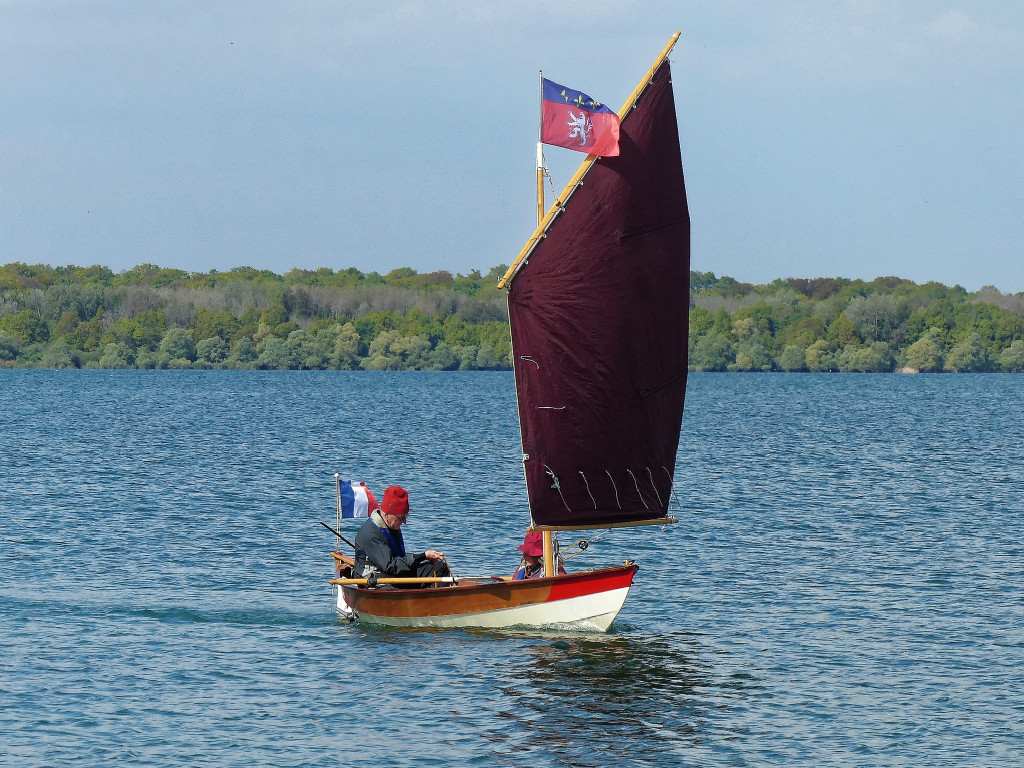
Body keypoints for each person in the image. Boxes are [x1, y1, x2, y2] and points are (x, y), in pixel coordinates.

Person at [352, 485, 450, 584]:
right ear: (386, 515)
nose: (404, 522)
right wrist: (423, 556)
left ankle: (439, 593)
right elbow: (390, 567)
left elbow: (399, 563)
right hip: (377, 580)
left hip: (395, 573)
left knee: (440, 567)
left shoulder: (392, 525)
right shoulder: (371, 534)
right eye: (401, 518)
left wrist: (424, 558)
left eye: (405, 517)